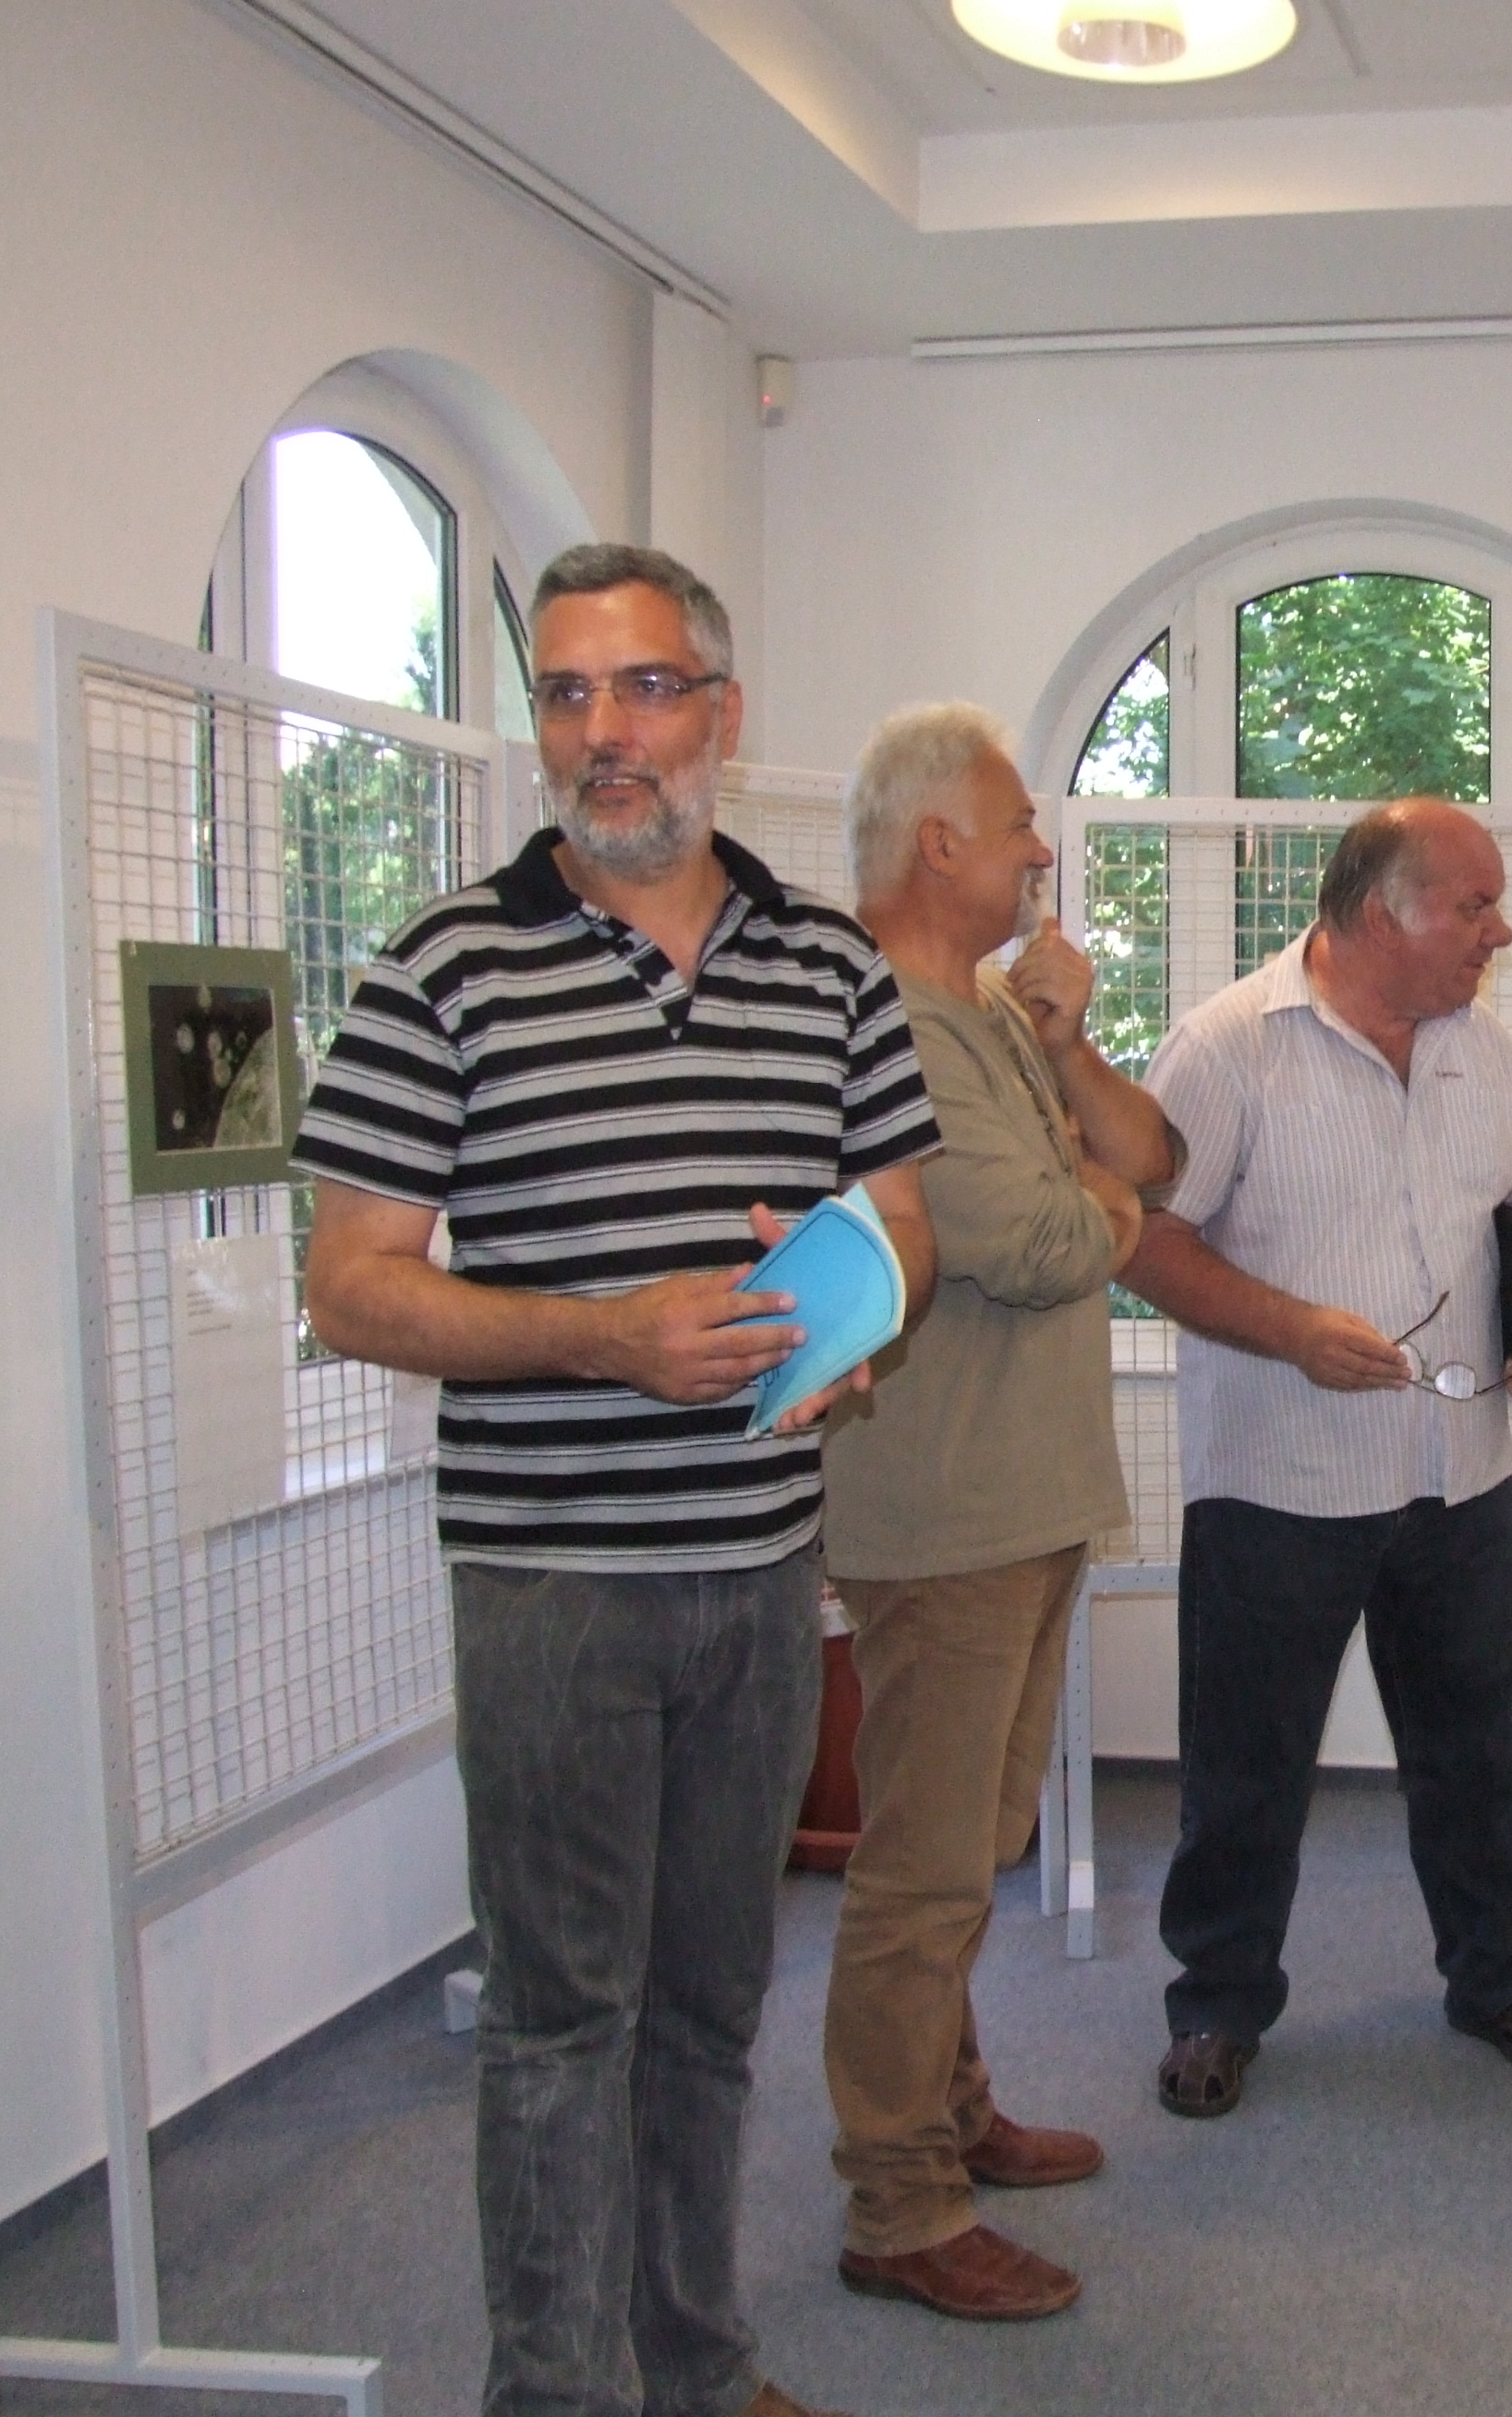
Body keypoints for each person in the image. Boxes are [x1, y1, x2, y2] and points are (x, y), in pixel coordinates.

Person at [295, 544, 938, 2417]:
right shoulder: (443, 968)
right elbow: (350, 1287)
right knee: (561, 2024)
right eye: (567, 694)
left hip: (760, 1576)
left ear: (721, 713)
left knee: (711, 2010)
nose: (605, 732)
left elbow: (898, 1218)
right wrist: (605, 1339)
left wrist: (853, 1326)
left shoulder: (829, 966)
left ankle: (698, 2366)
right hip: (552, 1584)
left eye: (645, 687)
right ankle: (558, 2397)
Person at [1125, 797, 1512, 2116]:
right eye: (1476, 906)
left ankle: (1496, 1978)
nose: (1500, 933)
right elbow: (1143, 1240)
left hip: (1459, 1479)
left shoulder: (1479, 1046)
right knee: (1246, 1770)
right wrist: (1291, 1332)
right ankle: (1217, 2006)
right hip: (1281, 1482)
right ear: (1385, 912)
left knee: (1470, 1755)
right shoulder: (1227, 1048)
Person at [816, 706, 1180, 2321]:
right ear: (938, 842)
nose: (1043, 849)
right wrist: (1098, 1203)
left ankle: (951, 2118)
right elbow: (1037, 1244)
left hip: (1015, 1503)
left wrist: (1072, 1082)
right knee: (924, 1876)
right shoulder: (887, 1021)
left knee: (975, 1849)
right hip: (944, 1514)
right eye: (1020, 822)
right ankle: (899, 2207)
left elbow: (1144, 1164)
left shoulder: (979, 1013)